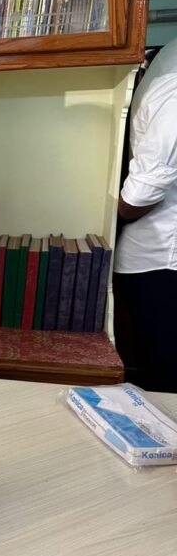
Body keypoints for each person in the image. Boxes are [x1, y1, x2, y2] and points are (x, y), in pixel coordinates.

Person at [113, 37, 177, 393]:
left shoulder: (170, 76)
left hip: (160, 258)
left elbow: (141, 194)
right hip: (157, 259)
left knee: (163, 379)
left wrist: (108, 217)